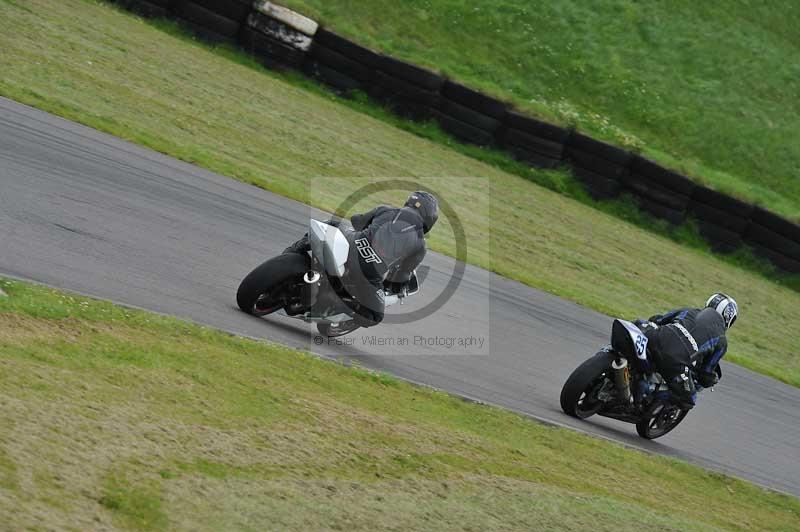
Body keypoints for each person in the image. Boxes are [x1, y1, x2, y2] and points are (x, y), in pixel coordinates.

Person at [284, 191, 438, 327]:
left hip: (350, 243)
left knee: (331, 224)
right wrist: (398, 287)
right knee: (375, 316)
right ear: (429, 219)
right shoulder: (420, 245)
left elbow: (356, 221)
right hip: (368, 272)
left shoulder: (385, 209)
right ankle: (335, 301)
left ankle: (292, 252)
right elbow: (403, 275)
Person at [635, 293, 738, 409]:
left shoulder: (689, 310)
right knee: (689, 399)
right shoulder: (721, 341)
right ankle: (647, 388)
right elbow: (705, 373)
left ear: (709, 303)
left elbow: (658, 319)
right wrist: (711, 379)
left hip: (655, 338)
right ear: (729, 321)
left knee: (640, 325)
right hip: (675, 361)